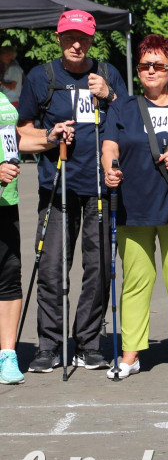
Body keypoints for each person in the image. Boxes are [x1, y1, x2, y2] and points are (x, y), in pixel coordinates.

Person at [17, 9, 129, 372]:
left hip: (99, 187)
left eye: (82, 38)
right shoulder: (42, 77)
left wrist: (109, 94)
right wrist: (50, 137)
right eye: (69, 38)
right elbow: (22, 130)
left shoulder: (109, 73)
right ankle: (48, 345)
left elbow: (128, 119)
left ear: (93, 40)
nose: (76, 44)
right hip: (57, 187)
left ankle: (88, 342)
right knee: (51, 268)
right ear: (59, 38)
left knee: (99, 269)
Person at [100, 35, 168, 379]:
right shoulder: (124, 106)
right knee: (136, 280)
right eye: (145, 65)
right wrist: (109, 169)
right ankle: (130, 355)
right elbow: (109, 145)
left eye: (159, 65)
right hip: (133, 205)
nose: (150, 70)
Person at [0, 97, 74, 384]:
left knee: (8, 280)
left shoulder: (3, 99)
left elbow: (15, 139)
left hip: (6, 201)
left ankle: (7, 353)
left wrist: (49, 138)